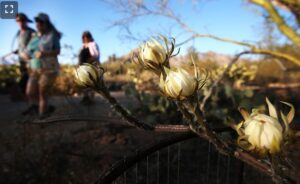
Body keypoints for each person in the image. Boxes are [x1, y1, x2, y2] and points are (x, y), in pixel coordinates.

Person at [23, 13, 61, 118]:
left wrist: (45, 53)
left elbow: (58, 51)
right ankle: (45, 108)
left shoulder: (52, 35)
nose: (38, 24)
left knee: (42, 92)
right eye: (37, 22)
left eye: (41, 22)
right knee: (29, 91)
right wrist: (26, 55)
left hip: (49, 68)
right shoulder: (34, 37)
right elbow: (27, 51)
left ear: (46, 23)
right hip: (35, 68)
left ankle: (42, 116)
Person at [14, 13, 35, 96]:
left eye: (22, 20)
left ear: (26, 21)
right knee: (24, 76)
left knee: (28, 78)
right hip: (21, 60)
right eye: (18, 20)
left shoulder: (31, 32)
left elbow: (37, 45)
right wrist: (18, 51)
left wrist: (28, 54)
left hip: (30, 61)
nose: (20, 22)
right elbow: (21, 46)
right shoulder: (18, 33)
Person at [78, 31, 100, 105]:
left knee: (91, 82)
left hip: (91, 65)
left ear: (90, 37)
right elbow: (80, 57)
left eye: (86, 36)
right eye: (84, 37)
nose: (85, 38)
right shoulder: (82, 46)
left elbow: (96, 55)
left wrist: (90, 62)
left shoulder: (93, 44)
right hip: (83, 67)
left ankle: (91, 98)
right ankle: (85, 97)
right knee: (84, 83)